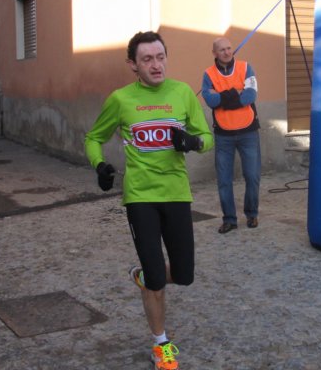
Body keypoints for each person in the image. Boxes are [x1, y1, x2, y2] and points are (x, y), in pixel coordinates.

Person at [84, 31, 213, 370]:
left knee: (184, 275)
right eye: (147, 59)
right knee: (158, 279)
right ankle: (161, 344)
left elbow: (207, 137)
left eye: (160, 57)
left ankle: (144, 275)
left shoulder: (182, 93)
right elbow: (94, 138)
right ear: (133, 65)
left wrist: (194, 143)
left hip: (177, 193)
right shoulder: (121, 99)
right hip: (140, 197)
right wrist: (99, 165)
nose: (156, 65)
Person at [201, 37, 261, 234]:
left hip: (248, 132)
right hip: (223, 135)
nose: (227, 52)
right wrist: (236, 92)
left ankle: (252, 214)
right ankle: (229, 219)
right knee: (224, 180)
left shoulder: (246, 68)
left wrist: (222, 97)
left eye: (229, 48)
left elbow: (250, 96)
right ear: (214, 53)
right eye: (222, 50)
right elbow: (210, 101)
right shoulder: (208, 74)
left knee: (252, 176)